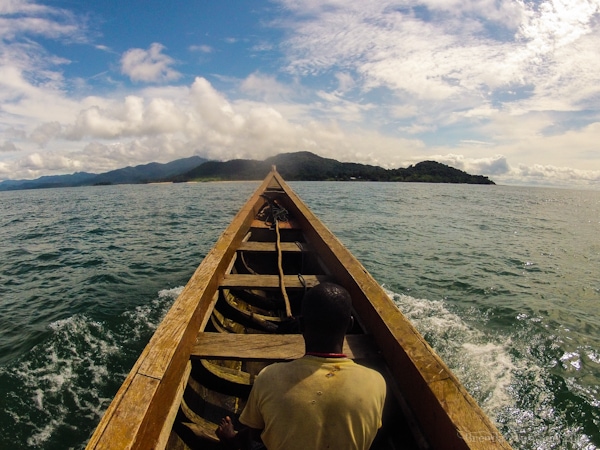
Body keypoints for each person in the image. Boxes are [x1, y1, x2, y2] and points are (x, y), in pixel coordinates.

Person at [216, 282, 387, 450]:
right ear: (349, 325)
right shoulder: (376, 382)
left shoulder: (269, 376)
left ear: (302, 325)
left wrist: (232, 439)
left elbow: (253, 435)